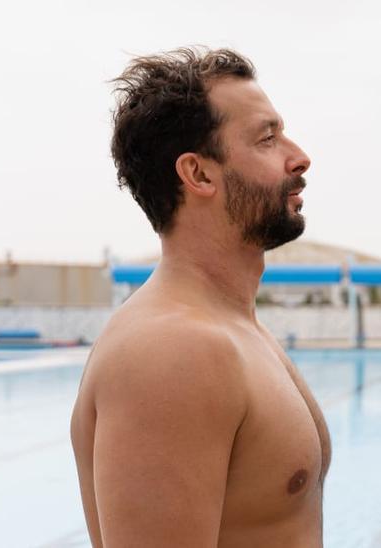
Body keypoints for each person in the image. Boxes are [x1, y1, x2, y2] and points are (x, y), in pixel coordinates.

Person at [70, 47, 329, 546]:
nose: (298, 156)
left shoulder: (230, 327)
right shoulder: (173, 351)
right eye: (268, 138)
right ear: (199, 174)